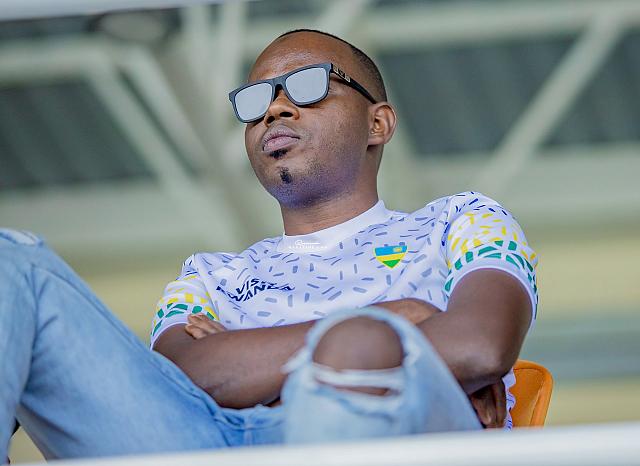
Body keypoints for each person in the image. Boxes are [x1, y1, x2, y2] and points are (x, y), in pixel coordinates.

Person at [0, 29, 537, 461]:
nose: (274, 110)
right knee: (12, 263)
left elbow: (479, 347)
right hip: (208, 445)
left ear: (378, 123)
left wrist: (256, 361)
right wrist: (398, 316)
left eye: (308, 85)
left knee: (359, 346)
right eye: (257, 99)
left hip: (379, 438)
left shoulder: (461, 220)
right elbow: (181, 382)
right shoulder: (208, 274)